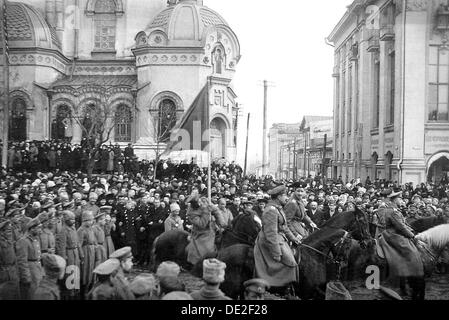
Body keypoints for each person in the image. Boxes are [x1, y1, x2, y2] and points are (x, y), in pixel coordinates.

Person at [254, 185, 300, 289]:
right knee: (291, 262)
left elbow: (284, 227)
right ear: (279, 197)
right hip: (269, 240)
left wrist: (293, 238)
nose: (287, 197)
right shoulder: (271, 210)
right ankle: (284, 288)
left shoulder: (278, 208)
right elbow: (271, 234)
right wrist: (276, 252)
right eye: (285, 195)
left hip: (279, 237)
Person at [16, 217, 45, 300]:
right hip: (31, 272)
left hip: (37, 270)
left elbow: (37, 256)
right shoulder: (24, 241)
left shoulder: (35, 239)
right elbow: (22, 261)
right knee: (31, 295)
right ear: (32, 229)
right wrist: (26, 277)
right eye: (38, 228)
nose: (40, 230)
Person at [55, 210, 81, 300]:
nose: (73, 221)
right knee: (70, 274)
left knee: (76, 272)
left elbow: (77, 242)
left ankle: (75, 291)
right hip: (69, 254)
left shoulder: (73, 229)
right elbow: (62, 247)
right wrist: (63, 259)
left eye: (74, 219)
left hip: (75, 253)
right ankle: (69, 294)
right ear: (66, 220)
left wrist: (80, 254)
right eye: (71, 219)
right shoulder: (63, 231)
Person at [185, 195, 216, 265]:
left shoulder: (204, 204)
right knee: (202, 250)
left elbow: (216, 211)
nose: (200, 203)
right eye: (198, 202)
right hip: (200, 233)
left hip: (212, 228)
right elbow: (202, 224)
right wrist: (206, 211)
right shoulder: (191, 213)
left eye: (199, 201)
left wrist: (222, 223)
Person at [77, 211, 97, 298]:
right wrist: (82, 256)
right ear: (85, 220)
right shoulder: (81, 230)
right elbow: (79, 244)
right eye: (90, 220)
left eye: (92, 220)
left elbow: (94, 240)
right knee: (85, 271)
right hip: (86, 252)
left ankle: (89, 288)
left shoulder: (90, 229)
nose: (92, 222)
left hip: (91, 251)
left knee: (91, 270)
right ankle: (83, 291)